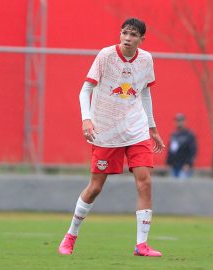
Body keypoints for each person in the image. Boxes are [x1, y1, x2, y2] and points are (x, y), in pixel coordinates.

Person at [58, 18, 165, 257]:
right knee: (96, 187)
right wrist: (87, 118)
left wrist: (152, 128)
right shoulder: (106, 55)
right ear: (120, 34)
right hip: (105, 129)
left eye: (133, 35)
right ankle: (70, 236)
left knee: (145, 181)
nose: (128, 38)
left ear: (142, 39)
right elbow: (85, 89)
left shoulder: (146, 59)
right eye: (125, 33)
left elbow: (145, 92)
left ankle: (142, 245)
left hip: (136, 128)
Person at [166, 113, 197, 179]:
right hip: (174, 166)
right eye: (177, 121)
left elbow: (193, 151)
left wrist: (188, 164)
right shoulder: (174, 135)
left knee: (182, 186)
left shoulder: (189, 135)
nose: (179, 123)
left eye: (181, 121)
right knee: (173, 187)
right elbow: (171, 150)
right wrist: (168, 162)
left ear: (185, 122)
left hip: (184, 166)